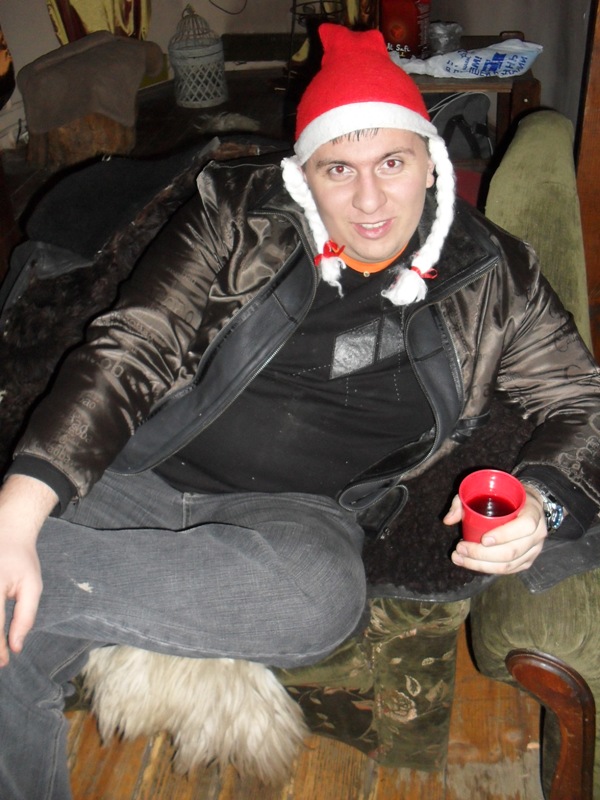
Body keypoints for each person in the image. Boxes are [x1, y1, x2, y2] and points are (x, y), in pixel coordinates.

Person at [1, 22, 600, 798]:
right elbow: (136, 345)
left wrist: (545, 504)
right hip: (141, 475)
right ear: (302, 174)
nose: (369, 199)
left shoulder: (494, 273)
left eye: (392, 163)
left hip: (297, 517)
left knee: (318, 601)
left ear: (431, 161)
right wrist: (22, 507)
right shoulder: (237, 214)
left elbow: (581, 400)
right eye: (338, 169)